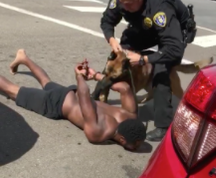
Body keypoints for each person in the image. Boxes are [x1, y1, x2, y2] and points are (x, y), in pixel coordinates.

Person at [100, 0, 196, 142]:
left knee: (161, 68)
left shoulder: (161, 8)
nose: (125, 7)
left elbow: (174, 50)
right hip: (147, 27)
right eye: (123, 4)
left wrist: (144, 59)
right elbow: (107, 21)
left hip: (173, 33)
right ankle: (119, 94)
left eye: (129, 5)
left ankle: (163, 125)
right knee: (125, 47)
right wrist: (111, 39)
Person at [0, 49, 146, 150]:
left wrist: (96, 76)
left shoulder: (131, 114)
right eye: (136, 145)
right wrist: (79, 76)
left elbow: (124, 88)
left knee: (46, 82)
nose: (137, 147)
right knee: (12, 90)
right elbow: (84, 98)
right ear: (122, 140)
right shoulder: (99, 132)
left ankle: (23, 58)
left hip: (70, 94)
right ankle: (23, 59)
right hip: (56, 104)